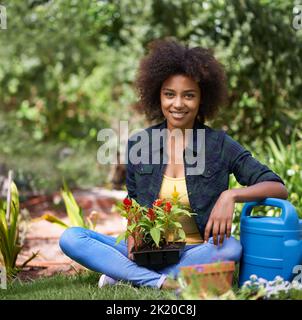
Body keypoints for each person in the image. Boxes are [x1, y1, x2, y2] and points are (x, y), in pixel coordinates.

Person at [59, 39, 288, 290]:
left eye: (188, 95)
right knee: (72, 237)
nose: (178, 104)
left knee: (231, 248)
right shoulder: (140, 144)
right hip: (149, 249)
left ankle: (126, 275)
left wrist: (230, 195)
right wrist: (135, 235)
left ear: (202, 99)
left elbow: (277, 187)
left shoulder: (220, 145)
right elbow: (134, 202)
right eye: (170, 94)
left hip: (196, 250)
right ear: (158, 95)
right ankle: (159, 281)